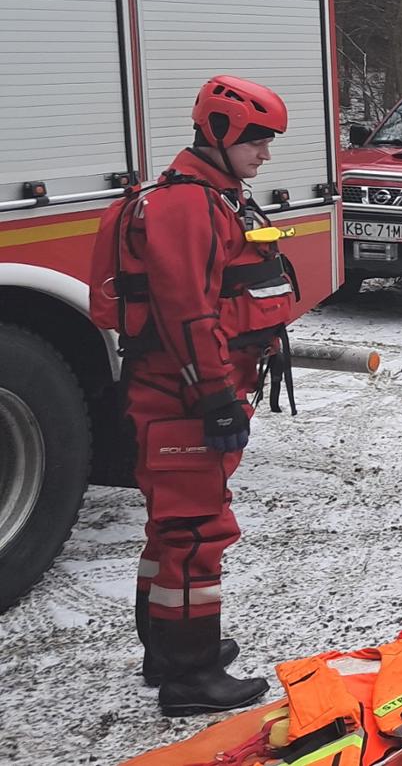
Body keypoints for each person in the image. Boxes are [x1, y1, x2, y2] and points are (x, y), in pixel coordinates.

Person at [87, 76, 299, 715]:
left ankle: (167, 646)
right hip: (181, 396)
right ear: (220, 134)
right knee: (195, 533)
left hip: (183, 389)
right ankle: (189, 676)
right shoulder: (187, 206)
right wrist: (214, 397)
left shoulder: (214, 197)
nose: (265, 154)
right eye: (257, 141)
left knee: (171, 529)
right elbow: (187, 312)